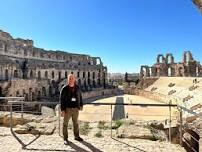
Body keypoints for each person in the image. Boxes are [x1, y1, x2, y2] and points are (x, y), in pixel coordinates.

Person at [60, 74, 83, 145]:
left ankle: (76, 136)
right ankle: (65, 138)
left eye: (72, 78)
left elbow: (80, 96)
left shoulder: (77, 88)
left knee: (76, 123)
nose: (71, 80)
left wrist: (81, 105)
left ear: (74, 79)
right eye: (70, 78)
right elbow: (61, 100)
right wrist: (62, 110)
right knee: (65, 124)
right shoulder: (64, 88)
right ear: (68, 79)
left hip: (76, 108)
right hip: (67, 109)